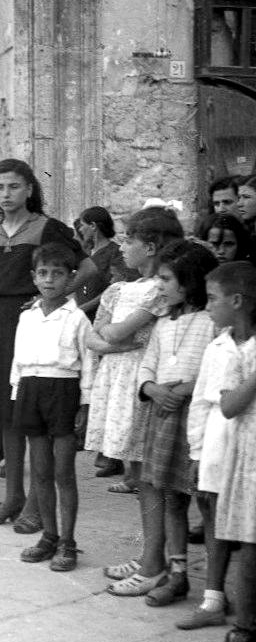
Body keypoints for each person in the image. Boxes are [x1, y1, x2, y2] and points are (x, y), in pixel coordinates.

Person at [0, 159, 93, 532]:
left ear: (29, 189)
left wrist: (49, 298)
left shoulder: (48, 228)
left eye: (13, 187)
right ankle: (13, 497)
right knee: (4, 412)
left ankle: (39, 506)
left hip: (33, 328)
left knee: (32, 412)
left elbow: (87, 268)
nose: (5, 194)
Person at [107, 241, 217, 601]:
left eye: (166, 279)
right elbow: (148, 363)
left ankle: (208, 586)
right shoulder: (164, 323)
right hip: (160, 413)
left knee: (198, 499)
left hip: (193, 417)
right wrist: (152, 388)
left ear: (189, 283)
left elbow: (214, 369)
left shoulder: (209, 322)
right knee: (165, 494)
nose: (160, 287)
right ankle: (171, 571)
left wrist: (184, 389)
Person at [178, 261, 256, 631]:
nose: (207, 306)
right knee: (214, 515)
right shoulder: (218, 345)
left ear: (237, 301)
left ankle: (245, 606)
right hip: (216, 438)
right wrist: (196, 451)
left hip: (248, 441)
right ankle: (213, 598)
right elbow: (202, 402)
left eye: (213, 299)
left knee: (246, 521)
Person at [85, 207, 184, 494]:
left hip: (138, 368)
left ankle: (142, 479)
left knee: (136, 423)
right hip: (120, 362)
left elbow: (115, 329)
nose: (123, 248)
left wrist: (110, 334)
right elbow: (94, 336)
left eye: (129, 242)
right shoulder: (120, 288)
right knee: (123, 424)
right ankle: (132, 476)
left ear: (150, 247)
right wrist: (115, 344)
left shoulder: (157, 290)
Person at [10, 244, 93, 572]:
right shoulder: (26, 316)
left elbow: (89, 364)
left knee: (63, 471)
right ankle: (49, 535)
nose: (49, 280)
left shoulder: (77, 318)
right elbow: (18, 362)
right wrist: (18, 396)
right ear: (34, 277)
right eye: (43, 273)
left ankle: (68, 542)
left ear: (70, 278)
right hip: (31, 390)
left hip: (63, 391)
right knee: (41, 470)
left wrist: (84, 405)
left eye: (57, 274)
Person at [214, 289, 256, 642]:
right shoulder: (238, 350)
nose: (211, 304)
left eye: (215, 297)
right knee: (250, 545)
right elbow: (228, 405)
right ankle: (243, 627)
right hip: (250, 452)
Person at [75, 206, 134, 321]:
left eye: (82, 225)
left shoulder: (115, 253)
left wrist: (84, 308)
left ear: (93, 226)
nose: (80, 230)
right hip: (82, 318)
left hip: (100, 318)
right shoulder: (86, 253)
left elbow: (115, 288)